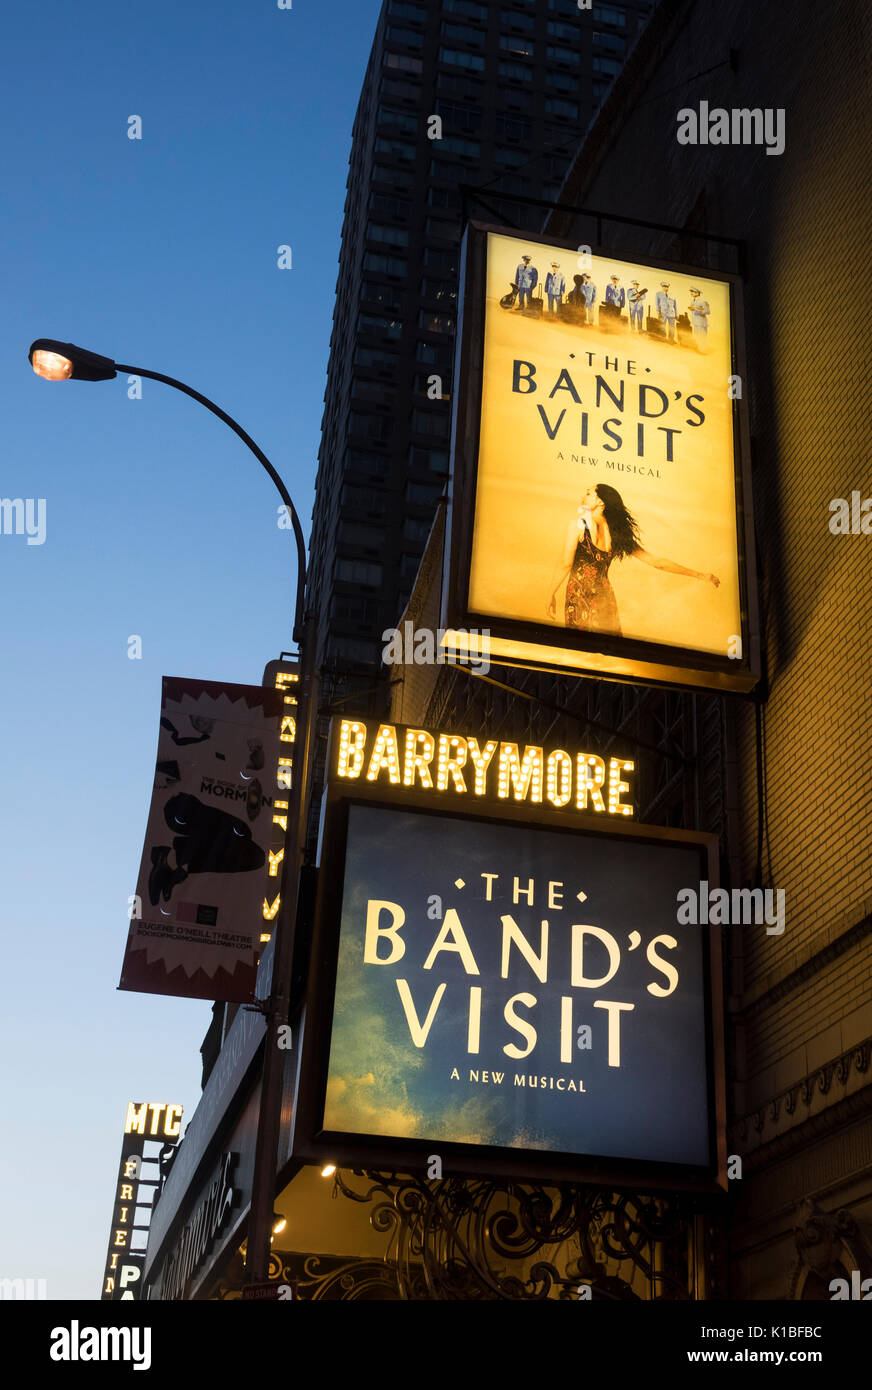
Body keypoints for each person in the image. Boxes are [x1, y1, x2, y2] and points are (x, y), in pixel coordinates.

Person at [546, 483, 720, 635]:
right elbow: (656, 562)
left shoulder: (578, 525)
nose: (583, 496)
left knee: (581, 647)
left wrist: (550, 593)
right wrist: (700, 575)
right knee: (607, 648)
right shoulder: (617, 535)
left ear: (600, 502)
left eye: (589, 493)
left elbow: (566, 564)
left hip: (580, 594)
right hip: (605, 596)